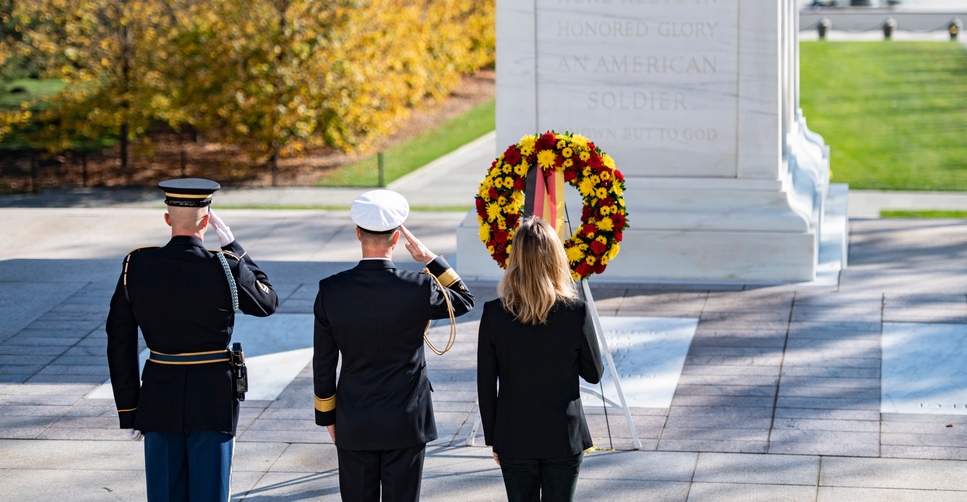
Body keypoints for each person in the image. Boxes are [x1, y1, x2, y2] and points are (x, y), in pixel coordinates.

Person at [106, 178, 278, 502]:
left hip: (159, 399)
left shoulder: (137, 265)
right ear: (208, 219)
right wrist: (235, 248)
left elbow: (119, 341)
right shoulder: (226, 267)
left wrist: (129, 409)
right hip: (213, 400)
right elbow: (267, 302)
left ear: (167, 218)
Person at [313, 189, 475, 502]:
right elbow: (464, 301)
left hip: (354, 418)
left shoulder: (331, 290)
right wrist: (429, 258)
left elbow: (324, 362)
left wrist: (328, 419)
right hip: (407, 419)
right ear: (397, 238)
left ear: (358, 233)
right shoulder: (419, 286)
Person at [477, 217, 604, 502]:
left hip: (513, 436)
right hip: (564, 436)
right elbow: (594, 373)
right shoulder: (576, 312)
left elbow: (485, 385)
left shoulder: (494, 314)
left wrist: (493, 437)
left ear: (515, 258)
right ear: (556, 258)